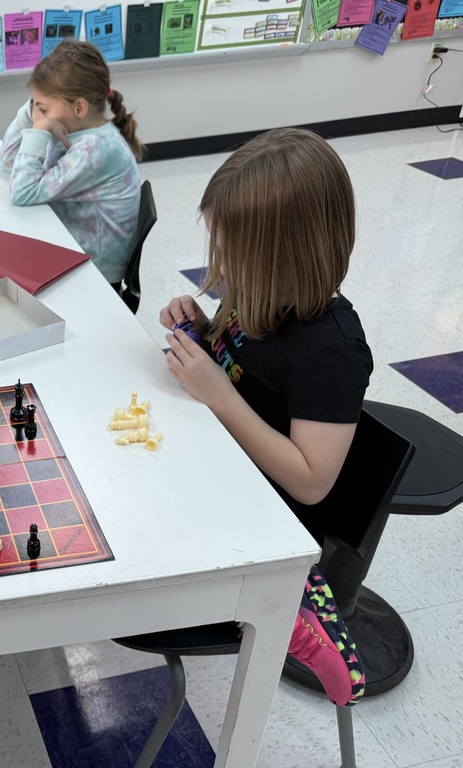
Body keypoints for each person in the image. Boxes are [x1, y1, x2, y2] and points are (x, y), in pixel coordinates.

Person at [160, 128, 370, 707]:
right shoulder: (255, 292)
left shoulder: (333, 352)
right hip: (216, 461)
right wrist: (201, 331)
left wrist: (217, 396)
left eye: (233, 252)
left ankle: (302, 609)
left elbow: (310, 481)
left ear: (289, 254)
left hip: (261, 514)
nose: (220, 265)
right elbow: (243, 369)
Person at [0, 39, 144, 290]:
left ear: (79, 107)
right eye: (34, 105)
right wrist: (33, 111)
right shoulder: (75, 128)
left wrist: (40, 128)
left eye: (43, 108)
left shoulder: (95, 149)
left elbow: (21, 192)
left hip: (93, 274)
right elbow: (8, 163)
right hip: (69, 247)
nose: (38, 115)